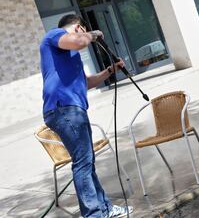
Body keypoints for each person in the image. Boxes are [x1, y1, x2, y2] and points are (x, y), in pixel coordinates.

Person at [40, 14, 133, 218]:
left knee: (86, 162)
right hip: (64, 108)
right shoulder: (54, 35)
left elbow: (87, 82)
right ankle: (93, 214)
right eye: (82, 30)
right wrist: (93, 34)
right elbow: (79, 41)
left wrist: (111, 70)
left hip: (72, 110)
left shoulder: (69, 57)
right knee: (83, 163)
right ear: (79, 27)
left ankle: (105, 209)